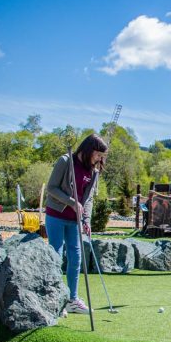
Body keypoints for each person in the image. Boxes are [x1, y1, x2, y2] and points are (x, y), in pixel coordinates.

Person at [45, 134, 108, 314]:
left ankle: (72, 299)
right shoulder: (65, 161)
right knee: (56, 256)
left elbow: (88, 200)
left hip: (75, 221)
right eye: (97, 155)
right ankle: (55, 299)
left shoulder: (93, 172)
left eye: (101, 156)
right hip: (56, 215)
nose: (99, 159)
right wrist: (72, 201)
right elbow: (51, 188)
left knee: (76, 258)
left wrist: (86, 219)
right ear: (89, 149)